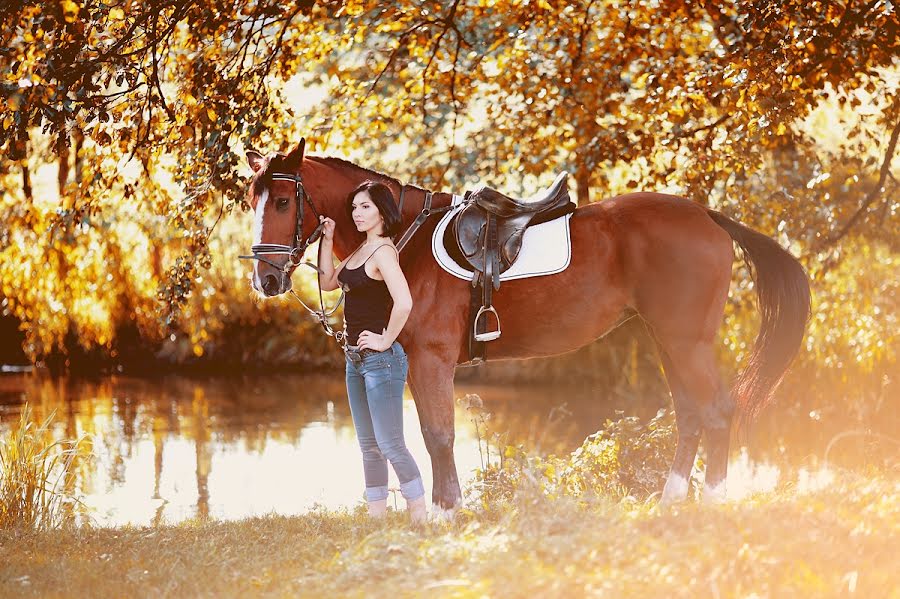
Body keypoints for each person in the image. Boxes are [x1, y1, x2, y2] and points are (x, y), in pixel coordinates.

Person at [318, 180, 427, 523]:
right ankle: (376, 521)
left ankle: (420, 518)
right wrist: (327, 237)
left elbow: (404, 302)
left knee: (391, 444)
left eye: (365, 206)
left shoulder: (383, 252)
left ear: (382, 210)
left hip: (382, 361)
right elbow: (326, 282)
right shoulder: (358, 252)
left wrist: (383, 339)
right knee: (370, 447)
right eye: (354, 207)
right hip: (354, 361)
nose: (357, 213)